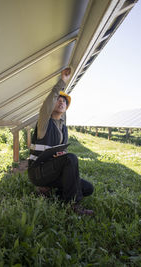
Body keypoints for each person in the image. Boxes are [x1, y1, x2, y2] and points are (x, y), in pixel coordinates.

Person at [27, 67, 94, 216]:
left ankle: (48, 194)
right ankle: (72, 205)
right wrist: (62, 82)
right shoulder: (44, 122)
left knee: (88, 188)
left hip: (53, 172)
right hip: (38, 172)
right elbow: (47, 103)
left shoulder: (63, 129)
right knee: (71, 158)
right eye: (58, 99)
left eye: (64, 101)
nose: (61, 102)